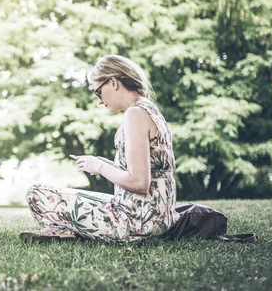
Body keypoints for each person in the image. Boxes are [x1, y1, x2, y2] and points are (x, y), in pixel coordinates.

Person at [20, 55, 179, 242]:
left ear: (113, 82)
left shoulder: (135, 113)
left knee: (37, 193)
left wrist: (99, 167)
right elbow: (148, 173)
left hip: (136, 222)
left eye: (98, 92)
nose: (100, 101)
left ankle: (66, 230)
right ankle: (67, 230)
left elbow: (139, 182)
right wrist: (104, 163)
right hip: (155, 218)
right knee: (65, 196)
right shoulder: (149, 109)